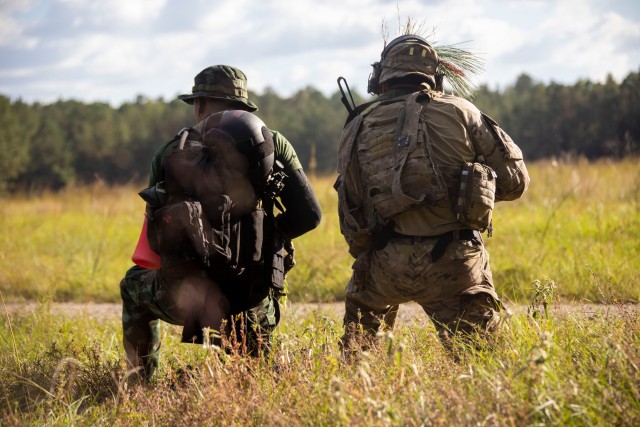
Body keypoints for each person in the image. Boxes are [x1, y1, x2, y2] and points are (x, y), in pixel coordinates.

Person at [120, 65, 321, 379]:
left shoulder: (173, 150)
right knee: (253, 381)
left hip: (185, 297)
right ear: (242, 106)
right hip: (251, 298)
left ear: (199, 104)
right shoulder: (274, 143)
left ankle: (142, 381)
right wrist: (267, 239)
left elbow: (155, 239)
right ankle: (247, 359)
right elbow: (310, 215)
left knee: (132, 285)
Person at [335, 35, 530, 356]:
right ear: (435, 77)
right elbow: (516, 183)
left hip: (385, 266)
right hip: (454, 264)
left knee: (358, 358)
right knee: (482, 369)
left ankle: (356, 386)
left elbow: (351, 206)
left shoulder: (356, 125)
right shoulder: (462, 111)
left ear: (381, 80)